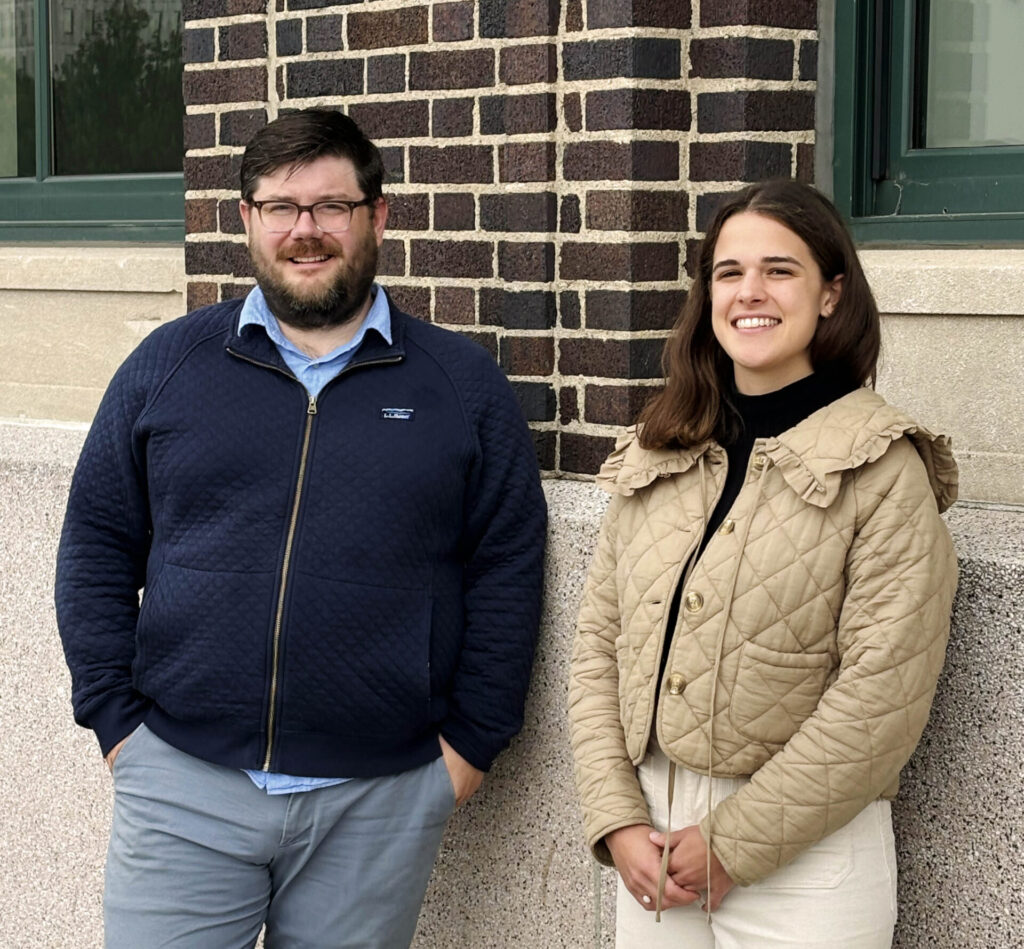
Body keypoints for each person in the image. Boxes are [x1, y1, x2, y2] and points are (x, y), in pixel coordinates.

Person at [55, 108, 547, 949]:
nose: (305, 231)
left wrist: (465, 749)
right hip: (182, 781)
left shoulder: (460, 387)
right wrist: (116, 725)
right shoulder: (168, 367)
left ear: (377, 215)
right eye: (281, 206)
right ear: (246, 219)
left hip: (377, 799)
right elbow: (97, 542)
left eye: (331, 207)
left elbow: (507, 567)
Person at [568, 178, 957, 948]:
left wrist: (734, 843)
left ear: (831, 295)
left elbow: (881, 696)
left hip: (807, 862)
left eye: (780, 270)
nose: (751, 292)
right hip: (653, 843)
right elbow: (597, 648)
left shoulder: (881, 467)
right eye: (729, 271)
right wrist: (615, 817)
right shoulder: (663, 446)